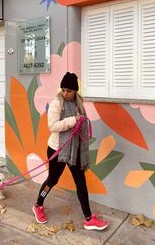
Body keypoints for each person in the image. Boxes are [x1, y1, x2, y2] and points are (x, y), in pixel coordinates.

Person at [33, 72, 109, 230]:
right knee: (52, 181)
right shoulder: (57, 103)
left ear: (75, 91)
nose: (65, 93)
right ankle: (38, 204)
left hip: (75, 150)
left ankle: (88, 219)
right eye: (63, 89)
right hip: (58, 149)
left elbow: (82, 126)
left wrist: (79, 123)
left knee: (81, 182)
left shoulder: (79, 102)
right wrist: (72, 120)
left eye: (69, 90)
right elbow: (52, 126)